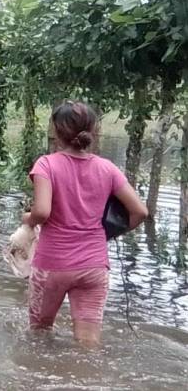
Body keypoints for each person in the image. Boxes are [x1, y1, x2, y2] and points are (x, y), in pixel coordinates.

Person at [20, 101, 147, 346]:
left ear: (56, 131)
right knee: (89, 343)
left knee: (39, 333)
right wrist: (104, 235)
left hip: (53, 264)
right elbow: (140, 211)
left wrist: (28, 218)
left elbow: (43, 211)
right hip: (94, 266)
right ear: (93, 130)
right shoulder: (107, 168)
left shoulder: (46, 164)